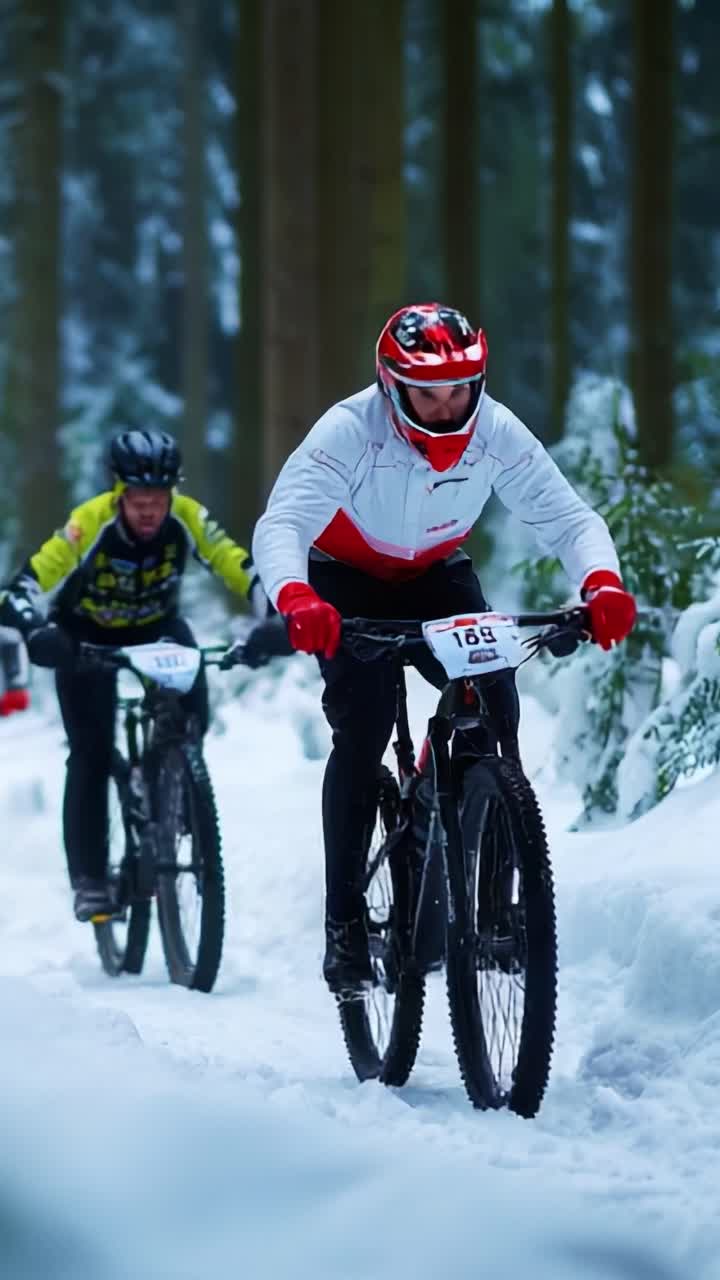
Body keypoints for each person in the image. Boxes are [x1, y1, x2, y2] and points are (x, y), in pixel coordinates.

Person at [252, 302, 637, 992]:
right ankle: (344, 925)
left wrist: (602, 584)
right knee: (362, 731)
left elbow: (569, 519)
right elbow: (283, 524)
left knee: (496, 706)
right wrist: (296, 598)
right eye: (427, 391)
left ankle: (495, 902)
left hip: (437, 577)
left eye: (460, 387)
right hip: (345, 583)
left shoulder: (495, 431)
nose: (445, 404)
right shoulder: (349, 430)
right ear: (390, 383)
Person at [0, 428, 263, 922]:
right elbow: (33, 580)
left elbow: (233, 560)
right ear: (119, 493)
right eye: (138, 499)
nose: (149, 511)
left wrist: (271, 608)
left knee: (191, 718)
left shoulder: (187, 517)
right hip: (84, 638)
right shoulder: (90, 521)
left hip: (157, 631)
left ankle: (169, 782)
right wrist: (35, 626)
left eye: (159, 499)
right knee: (91, 753)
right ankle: (91, 880)